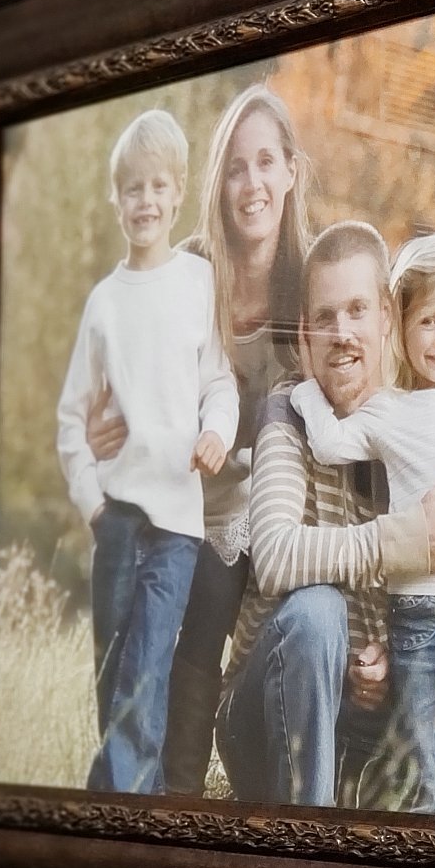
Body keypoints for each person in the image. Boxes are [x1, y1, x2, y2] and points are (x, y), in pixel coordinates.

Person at [216, 220, 435, 821]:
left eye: (357, 311)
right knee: (317, 610)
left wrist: (390, 662)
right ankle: (308, 841)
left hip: (373, 712)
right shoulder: (291, 414)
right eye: (325, 317)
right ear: (304, 333)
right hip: (266, 712)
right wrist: (402, 541)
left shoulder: (421, 420)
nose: (343, 332)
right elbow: (273, 554)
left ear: (387, 318)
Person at [85, 84, 311, 795]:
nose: (252, 183)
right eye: (237, 166)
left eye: (266, 162)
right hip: (189, 510)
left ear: (291, 172)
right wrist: (104, 425)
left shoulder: (308, 286)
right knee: (178, 615)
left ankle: (239, 788)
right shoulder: (183, 271)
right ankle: (164, 798)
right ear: (218, 179)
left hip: (278, 517)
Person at [55, 108, 239, 794]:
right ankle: (126, 803)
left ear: (178, 191)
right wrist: (93, 503)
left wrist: (217, 431)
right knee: (113, 675)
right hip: (119, 519)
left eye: (159, 187)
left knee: (149, 665)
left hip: (178, 529)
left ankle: (127, 815)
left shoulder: (196, 283)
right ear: (116, 198)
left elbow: (218, 380)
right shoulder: (104, 303)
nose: (146, 202)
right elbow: (73, 419)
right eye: (133, 188)